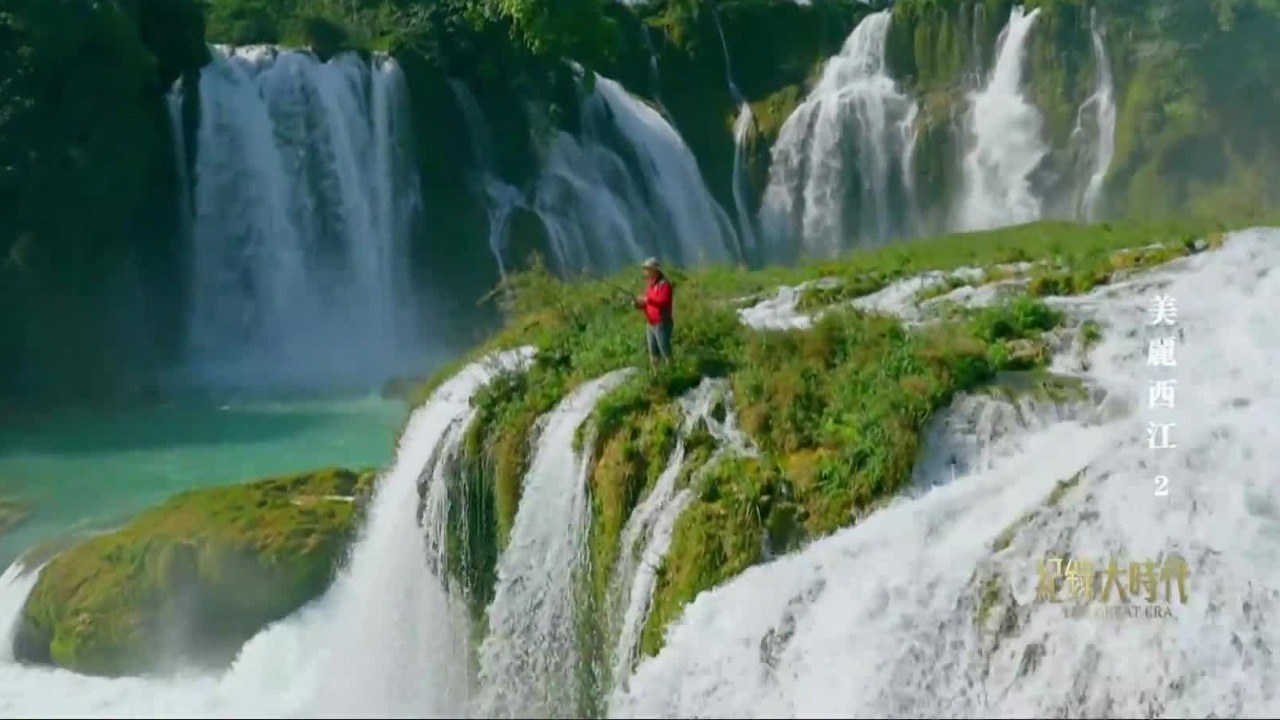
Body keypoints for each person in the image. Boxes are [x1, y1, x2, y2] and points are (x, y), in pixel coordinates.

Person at [634, 257, 674, 369]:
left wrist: (647, 299)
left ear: (654, 270)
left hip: (662, 323)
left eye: (647, 269)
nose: (645, 271)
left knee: (665, 349)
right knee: (653, 352)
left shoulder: (664, 284)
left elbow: (663, 301)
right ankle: (656, 374)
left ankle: (672, 370)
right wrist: (639, 304)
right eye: (644, 269)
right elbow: (649, 304)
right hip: (650, 323)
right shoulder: (651, 284)